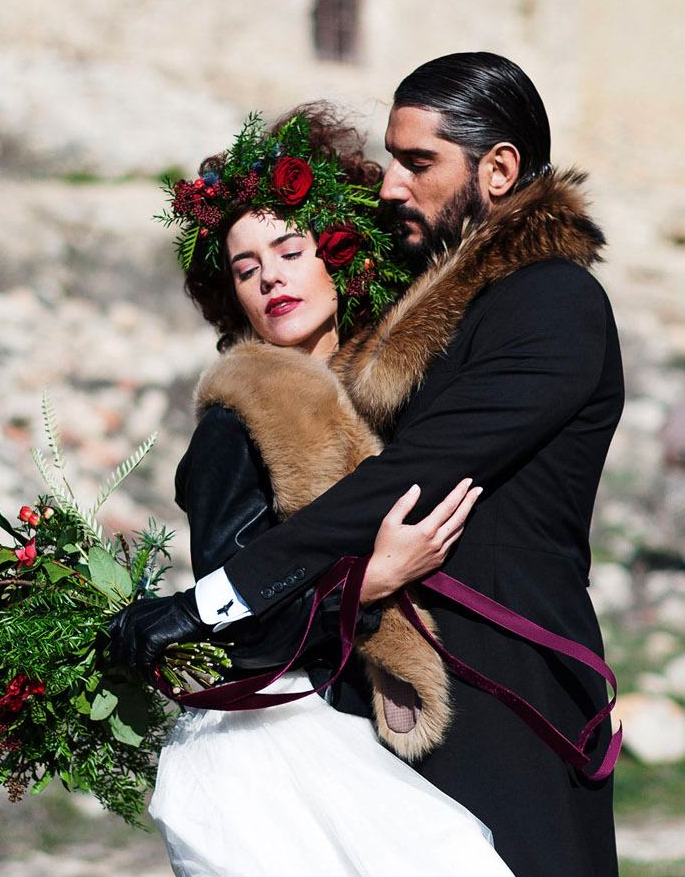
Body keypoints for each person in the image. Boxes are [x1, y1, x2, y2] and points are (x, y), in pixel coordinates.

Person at [110, 53, 624, 877]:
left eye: (417, 162)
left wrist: (207, 603)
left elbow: (414, 473)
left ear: (497, 170)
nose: (392, 186)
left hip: (513, 697)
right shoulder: (410, 333)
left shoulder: (553, 302)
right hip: (406, 710)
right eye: (249, 267)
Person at [143, 107, 511, 875]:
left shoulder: (398, 391)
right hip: (287, 744)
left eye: (288, 249)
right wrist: (371, 580)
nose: (271, 277)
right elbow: (239, 625)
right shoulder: (236, 421)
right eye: (246, 270)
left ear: (337, 254)